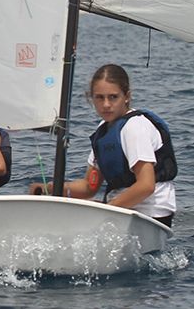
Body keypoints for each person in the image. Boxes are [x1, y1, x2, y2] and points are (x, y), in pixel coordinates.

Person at [29, 64, 177, 227]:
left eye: (113, 97)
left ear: (126, 96)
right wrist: (49, 188)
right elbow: (89, 187)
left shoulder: (135, 127)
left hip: (151, 217)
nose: (106, 104)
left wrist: (107, 210)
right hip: (124, 210)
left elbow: (146, 185)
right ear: (90, 98)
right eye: (99, 97)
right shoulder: (103, 130)